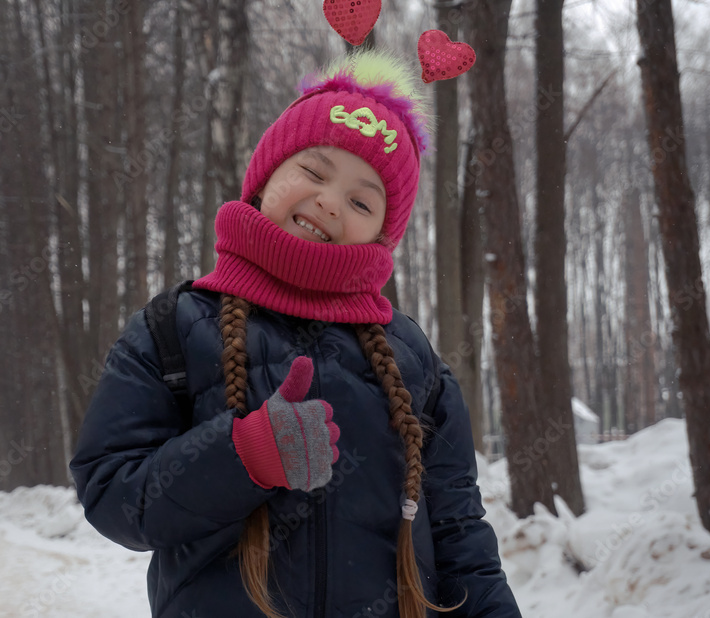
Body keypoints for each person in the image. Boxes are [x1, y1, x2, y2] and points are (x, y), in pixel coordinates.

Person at [70, 50, 520, 618]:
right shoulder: (175, 328)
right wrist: (240, 456)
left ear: (382, 233)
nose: (330, 202)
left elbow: (458, 529)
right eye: (313, 171)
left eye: (362, 200)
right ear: (264, 176)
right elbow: (111, 491)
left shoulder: (413, 361)